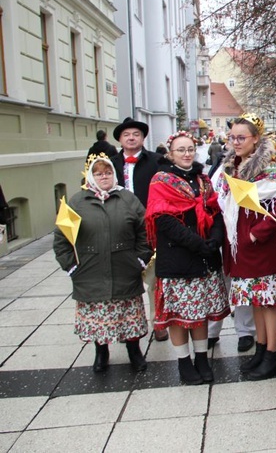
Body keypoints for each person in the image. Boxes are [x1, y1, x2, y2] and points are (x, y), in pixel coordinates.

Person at [53, 154, 151, 373]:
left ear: (114, 174)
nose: (104, 177)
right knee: (98, 318)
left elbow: (145, 231)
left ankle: (134, 352)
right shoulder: (78, 201)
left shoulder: (128, 198)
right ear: (91, 176)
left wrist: (140, 259)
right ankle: (101, 352)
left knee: (128, 316)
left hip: (125, 268)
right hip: (90, 270)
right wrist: (71, 266)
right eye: (98, 173)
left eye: (107, 172)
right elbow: (62, 237)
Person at [145, 131, 230, 385]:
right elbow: (164, 221)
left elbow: (214, 211)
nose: (186, 154)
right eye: (180, 150)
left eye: (190, 149)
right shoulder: (161, 181)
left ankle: (202, 357)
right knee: (179, 316)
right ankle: (184, 362)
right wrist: (198, 244)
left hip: (204, 257)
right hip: (178, 258)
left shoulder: (203, 179)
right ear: (170, 154)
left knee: (200, 312)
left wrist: (214, 240)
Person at [213, 116, 276, 380]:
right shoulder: (230, 168)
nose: (235, 143)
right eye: (232, 138)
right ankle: (260, 348)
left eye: (241, 137)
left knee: (269, 303)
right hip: (239, 248)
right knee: (255, 302)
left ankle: (272, 354)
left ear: (255, 139)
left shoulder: (268, 169)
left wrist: (257, 234)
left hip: (260, 248)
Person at [111, 117, 167, 342]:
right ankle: (126, 325)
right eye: (127, 135)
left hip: (150, 227)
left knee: (154, 278)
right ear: (120, 140)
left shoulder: (156, 161)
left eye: (136, 134)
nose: (131, 138)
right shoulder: (111, 164)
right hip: (121, 228)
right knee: (125, 278)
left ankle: (158, 322)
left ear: (143, 138)